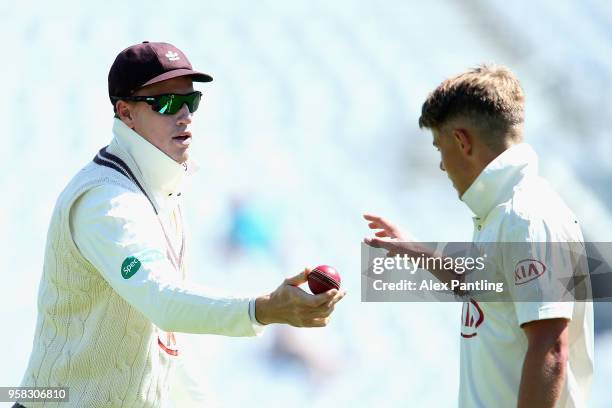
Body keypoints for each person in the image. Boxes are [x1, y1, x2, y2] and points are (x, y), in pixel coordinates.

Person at [15, 41, 345, 408]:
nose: (184, 115)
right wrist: (264, 308)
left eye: (192, 102)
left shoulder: (161, 193)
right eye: (167, 103)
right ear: (125, 113)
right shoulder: (106, 203)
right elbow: (163, 300)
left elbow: (162, 345)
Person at [364, 65, 593, 407]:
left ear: (461, 141)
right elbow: (486, 288)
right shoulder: (502, 212)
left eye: (439, 147)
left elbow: (550, 350)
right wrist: (418, 252)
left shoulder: (525, 217)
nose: (442, 165)